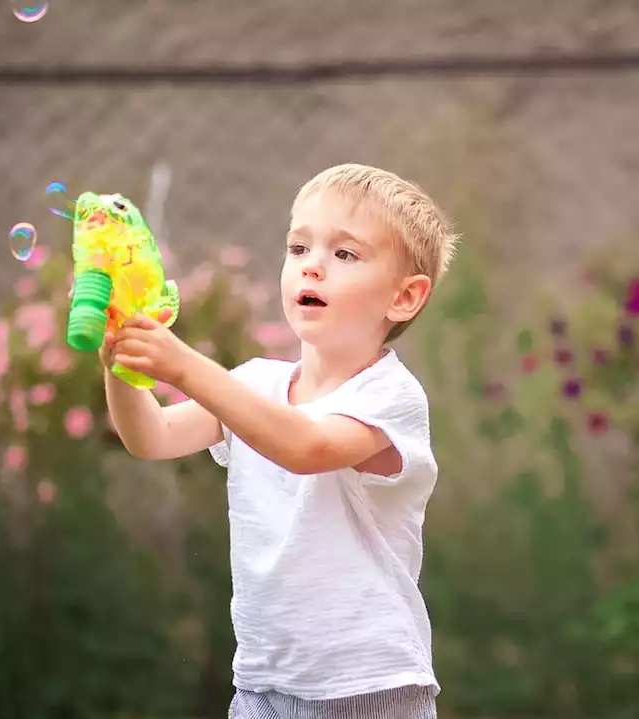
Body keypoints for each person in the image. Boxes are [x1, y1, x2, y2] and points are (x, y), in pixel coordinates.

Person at [103, 163, 458, 719]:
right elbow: (152, 436)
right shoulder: (254, 385)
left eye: (345, 255)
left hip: (367, 682)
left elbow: (307, 448)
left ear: (405, 297)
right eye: (298, 248)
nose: (311, 266)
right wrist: (125, 363)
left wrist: (187, 367)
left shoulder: (391, 396)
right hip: (264, 682)